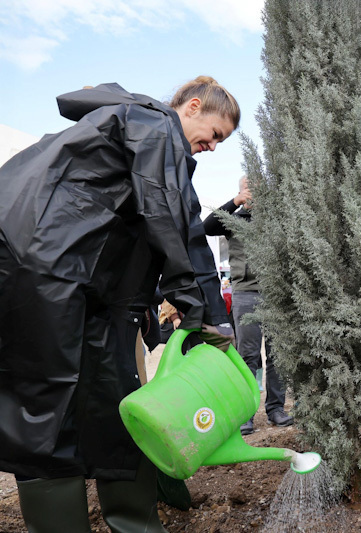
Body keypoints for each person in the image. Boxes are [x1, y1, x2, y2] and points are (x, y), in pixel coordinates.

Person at [0, 77, 239, 532]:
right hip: (46, 273)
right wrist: (205, 314)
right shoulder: (153, 124)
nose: (212, 147)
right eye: (215, 134)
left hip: (61, 276)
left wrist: (148, 306)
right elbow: (172, 217)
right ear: (192, 107)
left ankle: (134, 519)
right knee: (48, 406)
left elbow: (133, 229)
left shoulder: (120, 126)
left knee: (112, 393)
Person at [204, 176, 294, 433]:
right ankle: (245, 413)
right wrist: (235, 202)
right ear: (241, 190)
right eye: (247, 187)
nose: (252, 192)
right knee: (248, 356)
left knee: (279, 355)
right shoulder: (235, 219)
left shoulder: (274, 219)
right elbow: (206, 227)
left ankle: (276, 409)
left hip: (276, 293)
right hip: (246, 293)